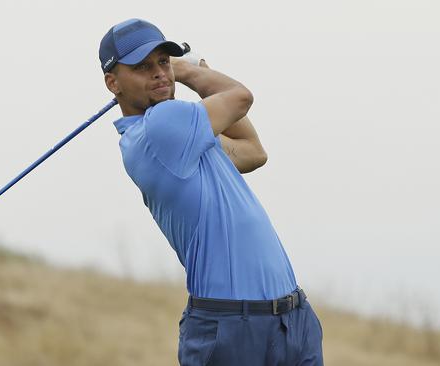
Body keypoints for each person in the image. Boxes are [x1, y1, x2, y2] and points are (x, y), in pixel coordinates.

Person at [99, 18, 324, 366]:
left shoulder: (183, 136)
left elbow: (252, 151)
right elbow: (240, 97)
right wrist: (189, 71)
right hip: (233, 329)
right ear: (113, 82)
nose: (159, 73)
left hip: (290, 320)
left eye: (162, 62)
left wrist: (186, 71)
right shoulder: (161, 128)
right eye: (143, 67)